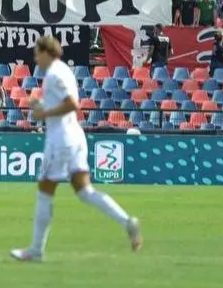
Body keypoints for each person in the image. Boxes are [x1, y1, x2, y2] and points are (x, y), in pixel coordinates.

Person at [10, 36, 141, 262]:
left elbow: (72, 104)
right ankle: (127, 221)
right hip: (74, 136)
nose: (35, 58)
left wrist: (43, 113)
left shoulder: (54, 74)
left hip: (61, 139)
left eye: (36, 53)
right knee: (85, 191)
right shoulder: (64, 71)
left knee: (44, 191)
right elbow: (63, 105)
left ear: (46, 52)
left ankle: (36, 249)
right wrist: (39, 106)